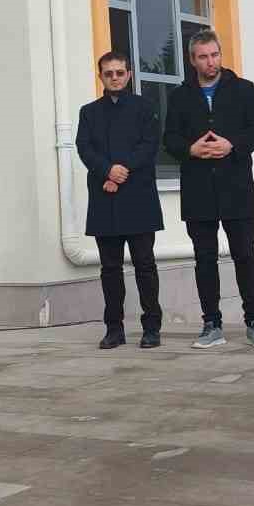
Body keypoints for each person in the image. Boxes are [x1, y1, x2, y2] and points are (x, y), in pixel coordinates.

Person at [163, 30, 254, 348]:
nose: (210, 62)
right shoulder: (180, 96)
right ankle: (211, 324)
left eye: (215, 55)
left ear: (221, 55)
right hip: (198, 189)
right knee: (204, 258)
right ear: (192, 60)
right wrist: (191, 149)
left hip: (236, 187)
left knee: (244, 256)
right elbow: (169, 138)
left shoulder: (243, 89)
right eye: (203, 57)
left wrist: (232, 145)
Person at [76, 51, 166, 349]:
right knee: (110, 268)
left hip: (137, 196)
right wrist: (107, 171)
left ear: (128, 75)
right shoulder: (89, 112)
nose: (114, 77)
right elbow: (84, 148)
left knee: (145, 265)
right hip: (105, 197)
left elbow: (150, 144)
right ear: (100, 76)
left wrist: (121, 171)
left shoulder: (145, 107)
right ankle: (114, 329)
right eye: (108, 73)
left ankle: (151, 328)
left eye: (119, 72)